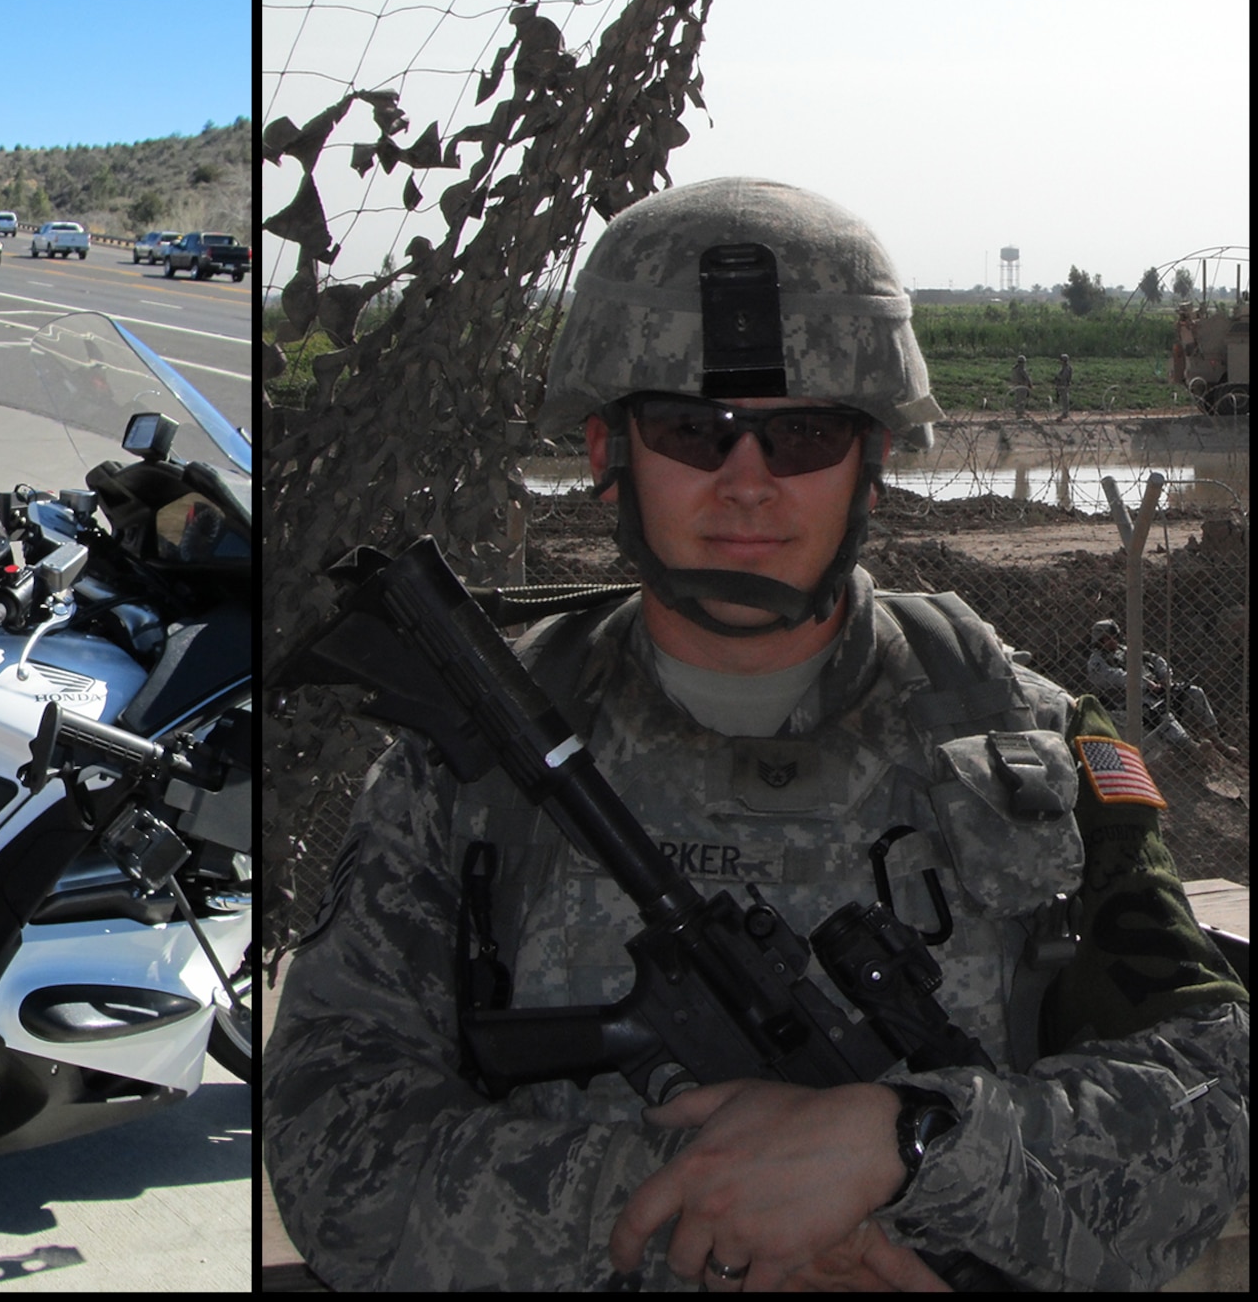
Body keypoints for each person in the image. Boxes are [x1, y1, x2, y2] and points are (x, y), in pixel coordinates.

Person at [263, 178, 1249, 1291]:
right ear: (604, 449)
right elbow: (326, 1136)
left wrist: (906, 1144)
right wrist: (712, 1195)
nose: (745, 484)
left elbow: (1213, 1096)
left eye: (804, 435)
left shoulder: (1031, 744)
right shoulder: (467, 760)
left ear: (870, 460)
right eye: (693, 429)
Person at [1085, 619, 1237, 760]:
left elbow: (1154, 659)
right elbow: (1117, 677)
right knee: (1160, 712)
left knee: (1194, 692)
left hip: (1155, 690)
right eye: (1107, 639)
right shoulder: (1097, 663)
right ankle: (1191, 747)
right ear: (1099, 641)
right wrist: (1146, 683)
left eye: (1114, 637)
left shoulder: (1125, 651)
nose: (1112, 641)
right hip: (1130, 700)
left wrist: (1165, 677)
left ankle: (1216, 740)